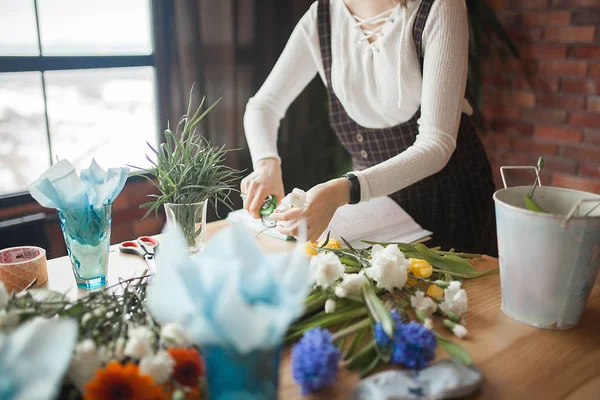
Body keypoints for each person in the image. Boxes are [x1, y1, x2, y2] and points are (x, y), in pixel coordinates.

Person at [240, 0, 497, 255]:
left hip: (451, 203)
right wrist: (266, 165)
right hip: (379, 212)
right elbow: (263, 106)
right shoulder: (323, 16)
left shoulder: (439, 6)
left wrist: (345, 190)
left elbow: (436, 144)